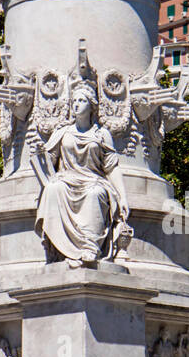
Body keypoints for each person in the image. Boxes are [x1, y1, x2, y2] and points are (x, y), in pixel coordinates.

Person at [34, 82, 131, 266]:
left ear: (91, 105)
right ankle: (59, 247)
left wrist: (123, 197)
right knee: (54, 188)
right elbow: (48, 160)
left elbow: (111, 167)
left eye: (81, 100)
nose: (76, 104)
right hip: (67, 180)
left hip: (93, 180)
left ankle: (90, 247)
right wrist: (41, 155)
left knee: (95, 194)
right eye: (74, 101)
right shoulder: (62, 132)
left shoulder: (102, 134)